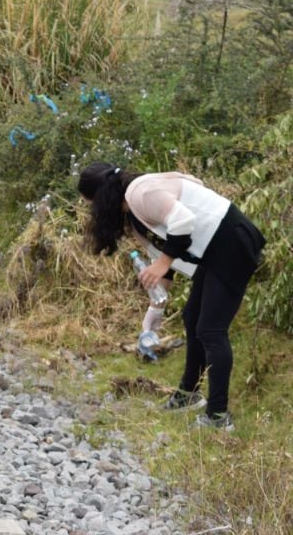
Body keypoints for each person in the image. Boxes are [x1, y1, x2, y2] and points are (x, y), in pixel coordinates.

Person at [77, 163, 265, 431]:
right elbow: (167, 255)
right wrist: (155, 309)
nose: (94, 213)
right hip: (214, 249)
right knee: (192, 318)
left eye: (91, 206)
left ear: (101, 198)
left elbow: (183, 222)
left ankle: (218, 416)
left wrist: (162, 263)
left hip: (232, 241)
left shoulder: (140, 193)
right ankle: (188, 395)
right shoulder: (133, 215)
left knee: (211, 330)